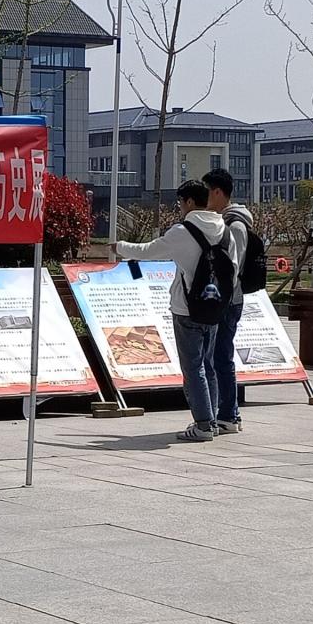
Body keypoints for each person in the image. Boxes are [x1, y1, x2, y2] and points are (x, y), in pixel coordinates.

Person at [115, 180, 235, 442]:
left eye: (180, 202)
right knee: (209, 366)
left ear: (189, 201)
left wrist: (119, 247)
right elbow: (233, 270)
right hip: (215, 307)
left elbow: (148, 251)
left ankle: (203, 425)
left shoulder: (183, 231)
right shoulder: (225, 230)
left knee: (193, 369)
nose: (180, 207)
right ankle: (212, 420)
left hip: (186, 309)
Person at [203, 168, 254, 435]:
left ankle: (228, 415)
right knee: (217, 356)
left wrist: (219, 297)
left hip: (228, 301)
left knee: (222, 357)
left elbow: (233, 267)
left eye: (207, 192)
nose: (204, 198)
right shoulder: (223, 221)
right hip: (225, 299)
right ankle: (227, 413)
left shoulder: (235, 225)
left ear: (217, 192)